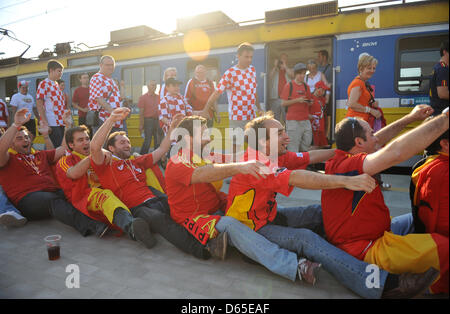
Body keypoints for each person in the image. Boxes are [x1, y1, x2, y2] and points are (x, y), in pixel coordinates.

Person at [225, 112, 439, 299]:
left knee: (321, 213)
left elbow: (314, 155)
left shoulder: (275, 155)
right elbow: (299, 178)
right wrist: (345, 180)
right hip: (251, 228)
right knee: (306, 239)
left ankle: (339, 250)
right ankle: (382, 285)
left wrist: (342, 152)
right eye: (280, 133)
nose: (287, 137)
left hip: (266, 216)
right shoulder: (256, 164)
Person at [166, 115, 330, 286]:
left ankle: (244, 248)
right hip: (194, 217)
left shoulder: (208, 155)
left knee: (254, 213)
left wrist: (256, 156)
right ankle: (294, 265)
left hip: (216, 207)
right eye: (203, 130)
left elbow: (236, 158)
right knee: (231, 224)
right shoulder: (176, 162)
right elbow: (203, 174)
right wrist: (239, 167)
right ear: (188, 138)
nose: (208, 132)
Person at [321, 105, 449, 295]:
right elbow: (395, 152)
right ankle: (431, 290)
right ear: (359, 142)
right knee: (444, 247)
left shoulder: (345, 159)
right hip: (368, 248)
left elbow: (380, 141)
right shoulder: (349, 164)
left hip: (379, 234)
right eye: (372, 134)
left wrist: (410, 118)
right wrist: (445, 118)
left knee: (415, 220)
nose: (377, 137)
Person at [90, 107, 223, 259]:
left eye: (128, 142)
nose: (127, 145)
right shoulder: (105, 165)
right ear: (111, 148)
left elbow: (161, 150)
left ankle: (212, 231)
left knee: (180, 207)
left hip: (156, 198)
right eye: (122, 143)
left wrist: (172, 129)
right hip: (137, 207)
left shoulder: (136, 161)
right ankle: (201, 248)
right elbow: (95, 147)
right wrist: (112, 119)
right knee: (159, 219)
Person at [0, 108, 107, 237]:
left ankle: (107, 217)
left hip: (52, 193)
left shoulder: (40, 154)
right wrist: (15, 125)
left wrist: (67, 125)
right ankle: (92, 226)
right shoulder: (7, 158)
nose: (26, 140)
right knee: (54, 200)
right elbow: (1, 149)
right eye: (20, 138)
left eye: (27, 137)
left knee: (75, 192)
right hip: (28, 201)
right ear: (11, 144)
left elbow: (64, 148)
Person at [55, 125, 155, 247]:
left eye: (87, 139)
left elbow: (120, 162)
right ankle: (132, 228)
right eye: (80, 140)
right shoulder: (66, 160)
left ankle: (159, 206)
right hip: (85, 198)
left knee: (147, 169)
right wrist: (94, 153)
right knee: (105, 195)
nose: (86, 142)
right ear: (71, 145)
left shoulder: (101, 155)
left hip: (110, 192)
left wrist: (136, 156)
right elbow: (74, 173)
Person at [205, 42, 263, 160]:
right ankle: (235, 175)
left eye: (251, 57)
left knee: (256, 146)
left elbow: (254, 91)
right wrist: (206, 109)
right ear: (238, 56)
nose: (249, 60)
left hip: (251, 115)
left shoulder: (252, 70)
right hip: (237, 117)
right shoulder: (230, 73)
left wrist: (259, 108)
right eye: (246, 57)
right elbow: (217, 92)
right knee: (236, 148)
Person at [410, 125, 448, 237]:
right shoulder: (444, 172)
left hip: (427, 235)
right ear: (445, 144)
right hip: (442, 242)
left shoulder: (425, 165)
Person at [346, 54, 385, 132]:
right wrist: (371, 110)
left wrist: (372, 104)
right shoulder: (358, 83)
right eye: (369, 68)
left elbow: (361, 101)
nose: (372, 71)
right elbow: (352, 104)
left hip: (361, 123)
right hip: (356, 123)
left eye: (374, 68)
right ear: (361, 69)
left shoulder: (363, 83)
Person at [280, 62, 314, 152]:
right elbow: (283, 103)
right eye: (300, 73)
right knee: (293, 147)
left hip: (305, 120)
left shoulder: (306, 87)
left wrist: (310, 102)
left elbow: (309, 101)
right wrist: (297, 100)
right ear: (295, 74)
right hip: (293, 121)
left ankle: (300, 160)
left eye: (304, 73)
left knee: (307, 142)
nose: (302, 76)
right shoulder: (289, 85)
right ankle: (295, 164)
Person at [88, 55, 124, 134]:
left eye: (112, 65)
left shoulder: (111, 80)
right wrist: (113, 112)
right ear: (100, 65)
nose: (110, 67)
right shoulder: (96, 78)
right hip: (103, 119)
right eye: (107, 65)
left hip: (114, 119)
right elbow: (98, 98)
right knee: (102, 145)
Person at [36, 60, 67, 147]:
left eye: (61, 71)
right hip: (52, 122)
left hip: (60, 121)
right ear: (51, 70)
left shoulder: (56, 84)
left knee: (58, 146)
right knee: (55, 147)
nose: (61, 73)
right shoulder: (44, 84)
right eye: (59, 71)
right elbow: (39, 103)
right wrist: (45, 123)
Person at [268, 53, 293, 124]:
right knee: (274, 121)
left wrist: (285, 66)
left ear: (287, 60)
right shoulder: (274, 70)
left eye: (284, 59)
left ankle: (288, 135)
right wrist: (275, 66)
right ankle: (274, 135)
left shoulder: (290, 69)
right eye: (281, 59)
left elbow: (292, 75)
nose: (282, 60)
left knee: (288, 121)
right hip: (275, 99)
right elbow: (269, 77)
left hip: (287, 99)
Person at [138, 80, 161, 154]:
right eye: (152, 85)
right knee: (147, 141)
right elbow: (141, 112)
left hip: (158, 121)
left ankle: (157, 159)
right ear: (148, 86)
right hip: (148, 121)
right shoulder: (143, 97)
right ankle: (141, 157)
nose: (154, 87)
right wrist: (141, 124)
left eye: (155, 85)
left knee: (158, 141)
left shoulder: (159, 97)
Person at [429, 40, 449, 114]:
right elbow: (442, 93)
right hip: (442, 114)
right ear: (444, 52)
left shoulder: (438, 67)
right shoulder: (443, 69)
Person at [317, 50, 333, 140]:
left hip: (326, 97)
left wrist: (327, 96)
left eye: (319, 56)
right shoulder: (317, 69)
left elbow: (330, 84)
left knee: (327, 117)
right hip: (318, 97)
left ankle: (326, 136)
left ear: (324, 57)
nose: (318, 59)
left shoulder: (330, 69)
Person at [309, 81, 330, 148]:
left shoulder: (322, 99)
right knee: (314, 147)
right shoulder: (310, 98)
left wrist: (328, 91)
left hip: (321, 130)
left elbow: (326, 101)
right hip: (313, 129)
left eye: (324, 90)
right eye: (322, 89)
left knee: (323, 147)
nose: (323, 92)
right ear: (316, 88)